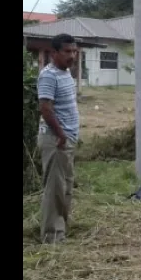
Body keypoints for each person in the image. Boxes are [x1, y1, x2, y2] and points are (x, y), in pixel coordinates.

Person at [37, 33, 80, 244]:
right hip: (56, 140)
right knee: (55, 190)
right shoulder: (49, 75)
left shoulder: (66, 74)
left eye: (74, 51)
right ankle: (52, 238)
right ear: (54, 53)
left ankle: (61, 231)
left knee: (65, 188)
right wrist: (61, 135)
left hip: (68, 139)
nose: (72, 55)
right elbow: (45, 108)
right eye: (67, 52)